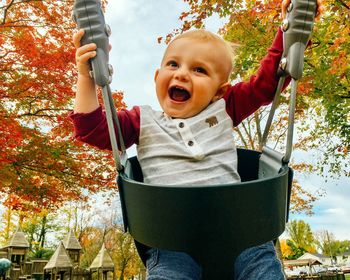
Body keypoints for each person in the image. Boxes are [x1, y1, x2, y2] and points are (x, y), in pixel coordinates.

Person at [70, 1, 319, 279]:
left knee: (263, 268)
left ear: (218, 91)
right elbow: (91, 129)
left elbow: (267, 83)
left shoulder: (225, 107)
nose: (182, 73)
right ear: (157, 77)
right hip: (172, 242)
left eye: (199, 70)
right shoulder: (142, 121)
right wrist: (87, 77)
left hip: (240, 234)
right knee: (168, 274)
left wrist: (290, 33)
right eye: (173, 64)